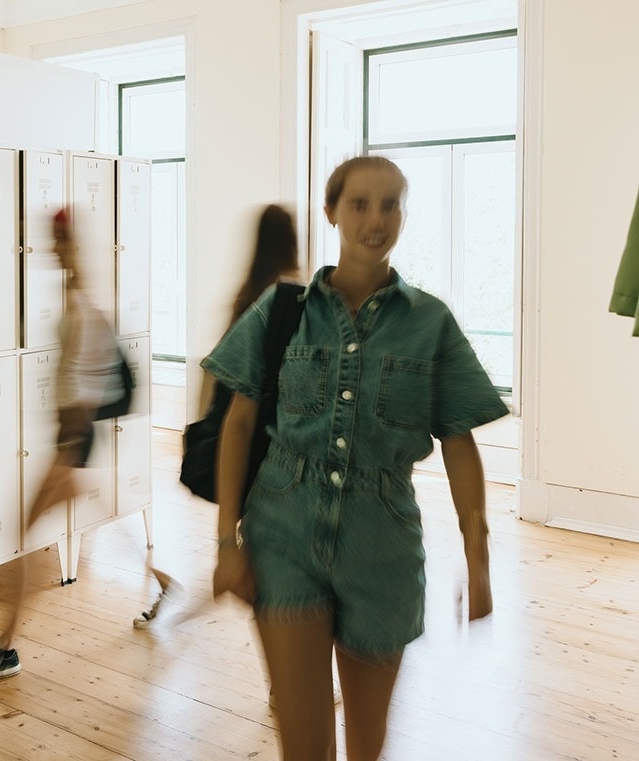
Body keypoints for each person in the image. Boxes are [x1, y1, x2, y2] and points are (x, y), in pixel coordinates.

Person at [203, 156, 508, 761]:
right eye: (360, 204)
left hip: (383, 547)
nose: (376, 219)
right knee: (304, 748)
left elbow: (458, 439)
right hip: (283, 533)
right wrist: (226, 543)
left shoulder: (431, 323)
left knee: (368, 745)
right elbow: (238, 425)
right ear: (331, 212)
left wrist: (477, 555)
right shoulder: (283, 310)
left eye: (390, 204)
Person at [0, 207, 125, 686]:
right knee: (95, 509)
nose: (49, 246)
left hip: (74, 439)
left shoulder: (84, 302)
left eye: (55, 238)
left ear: (69, 242)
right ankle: (161, 580)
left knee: (19, 533)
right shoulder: (77, 292)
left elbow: (87, 386)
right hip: (69, 439)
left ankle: (5, 648)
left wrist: (69, 450)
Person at [133, 203, 300, 629]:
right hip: (276, 451)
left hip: (245, 450)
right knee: (269, 565)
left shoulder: (249, 297)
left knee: (256, 558)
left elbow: (220, 378)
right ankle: (281, 680)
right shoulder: (292, 298)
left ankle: (192, 605)